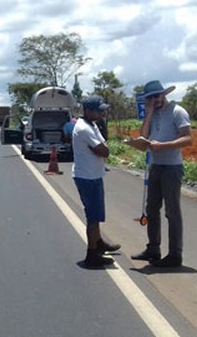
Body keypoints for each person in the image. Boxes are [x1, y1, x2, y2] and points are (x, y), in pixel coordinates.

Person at [131, 80, 192, 268]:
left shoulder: (177, 112)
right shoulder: (154, 113)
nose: (154, 100)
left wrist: (163, 146)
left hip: (172, 167)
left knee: (172, 212)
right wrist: (148, 114)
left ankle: (175, 255)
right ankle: (153, 249)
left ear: (163, 95)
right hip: (156, 165)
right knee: (152, 209)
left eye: (156, 96)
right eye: (150, 98)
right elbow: (144, 135)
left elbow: (188, 138)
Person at [72, 95, 121, 268]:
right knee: (93, 216)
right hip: (87, 177)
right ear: (88, 111)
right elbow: (104, 150)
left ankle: (98, 243)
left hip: (93, 175)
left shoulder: (92, 125)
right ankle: (91, 253)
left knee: (97, 214)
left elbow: (103, 146)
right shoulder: (84, 128)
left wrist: (103, 146)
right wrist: (103, 147)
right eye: (99, 110)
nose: (102, 113)